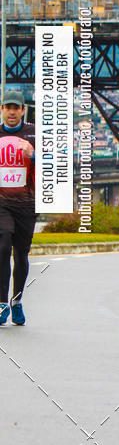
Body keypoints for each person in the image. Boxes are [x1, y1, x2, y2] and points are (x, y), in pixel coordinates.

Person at [0, 90, 36, 327]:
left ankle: (17, 300)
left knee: (21, 254)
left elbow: (56, 166)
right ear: (2, 110)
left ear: (23, 110)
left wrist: (33, 156)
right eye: (7, 107)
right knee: (3, 245)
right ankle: (2, 303)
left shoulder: (34, 134)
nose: (12, 112)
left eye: (16, 107)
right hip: (1, 203)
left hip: (28, 203)